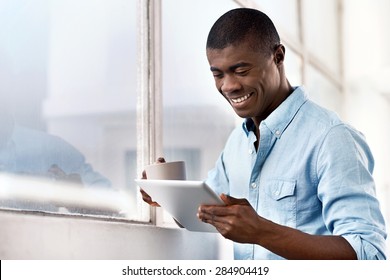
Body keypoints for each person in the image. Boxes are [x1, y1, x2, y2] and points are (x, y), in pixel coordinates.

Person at [142, 8, 387, 260]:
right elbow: (207, 216)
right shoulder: (237, 143)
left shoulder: (332, 138)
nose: (228, 86)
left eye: (241, 70)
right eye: (218, 74)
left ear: (278, 56)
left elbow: (369, 255)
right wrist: (168, 194)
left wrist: (261, 231)